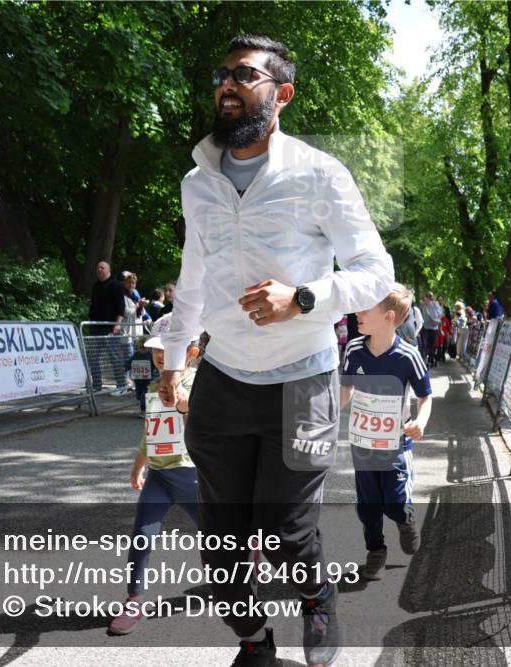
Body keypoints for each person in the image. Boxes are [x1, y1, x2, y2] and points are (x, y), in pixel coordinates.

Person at [159, 35, 394, 667]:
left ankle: (317, 600)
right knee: (221, 548)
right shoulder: (197, 182)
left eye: (244, 75)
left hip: (304, 383)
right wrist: (176, 355)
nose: (227, 85)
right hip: (225, 381)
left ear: (280, 94)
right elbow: (193, 278)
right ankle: (254, 642)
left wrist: (306, 297)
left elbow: (376, 272)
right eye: (222, 74)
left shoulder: (320, 173)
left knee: (288, 537)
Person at [108, 315, 201, 635]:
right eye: (155, 349)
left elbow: (198, 409)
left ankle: (243, 567)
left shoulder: (198, 382)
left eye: (170, 349)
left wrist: (181, 400)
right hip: (159, 477)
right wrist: (138, 465)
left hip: (191, 476)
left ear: (192, 353)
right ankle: (134, 599)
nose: (161, 355)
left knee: (219, 535)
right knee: (142, 536)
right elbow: (150, 433)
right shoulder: (152, 389)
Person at [340, 284, 432, 581]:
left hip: (396, 445)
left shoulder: (407, 356)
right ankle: (375, 552)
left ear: (389, 317)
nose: (357, 313)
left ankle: (405, 520)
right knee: (368, 507)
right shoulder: (354, 350)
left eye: (366, 309)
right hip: (363, 445)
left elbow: (425, 396)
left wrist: (420, 422)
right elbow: (346, 389)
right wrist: (326, 413)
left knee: (394, 501)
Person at [87, 260, 127, 391]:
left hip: (111, 327)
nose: (99, 270)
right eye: (98, 268)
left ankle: (121, 386)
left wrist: (117, 324)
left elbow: (121, 307)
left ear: (108, 270)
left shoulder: (116, 285)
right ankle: (97, 386)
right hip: (95, 328)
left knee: (115, 358)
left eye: (102, 268)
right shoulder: (95, 286)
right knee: (94, 358)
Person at [419, 292, 442, 368]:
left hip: (433, 328)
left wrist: (434, 318)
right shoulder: (422, 305)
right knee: (424, 345)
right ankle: (423, 360)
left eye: (425, 298)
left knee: (431, 345)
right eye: (423, 299)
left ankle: (430, 360)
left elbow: (440, 314)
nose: (424, 300)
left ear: (429, 299)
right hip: (425, 328)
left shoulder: (435, 305)